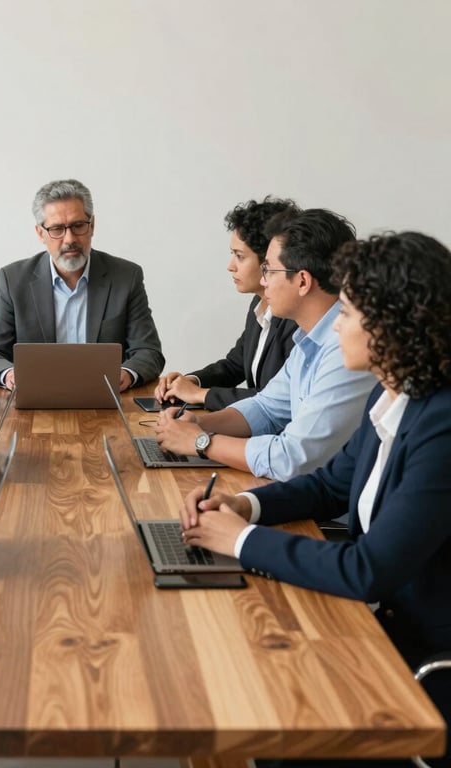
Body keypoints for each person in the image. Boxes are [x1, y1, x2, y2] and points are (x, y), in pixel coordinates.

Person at [180, 231, 451, 767]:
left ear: (391, 325)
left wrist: (242, 540)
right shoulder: (393, 392)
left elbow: (368, 569)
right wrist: (246, 507)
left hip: (415, 660)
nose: (339, 327)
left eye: (349, 313)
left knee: (263, 707)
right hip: (373, 626)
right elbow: (330, 484)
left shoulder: (441, 423)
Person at [155, 208, 375, 481]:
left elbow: (292, 459)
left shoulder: (346, 349)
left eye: (269, 270)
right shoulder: (308, 339)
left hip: (330, 512)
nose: (262, 280)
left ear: (303, 281)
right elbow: (266, 408)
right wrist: (198, 422)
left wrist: (202, 442)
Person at [0, 178, 165, 391]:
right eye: (57, 229)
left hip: (106, 398)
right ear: (40, 233)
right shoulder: (14, 280)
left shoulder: (126, 277)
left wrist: (126, 374)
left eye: (78, 225)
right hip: (35, 401)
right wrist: (10, 374)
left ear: (92, 226)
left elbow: (149, 352)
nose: (69, 239)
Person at [155, 196, 299, 410]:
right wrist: (190, 381)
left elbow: (275, 399)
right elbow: (235, 365)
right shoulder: (259, 304)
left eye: (240, 256)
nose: (230, 266)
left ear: (269, 260)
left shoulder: (296, 318)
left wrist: (201, 394)